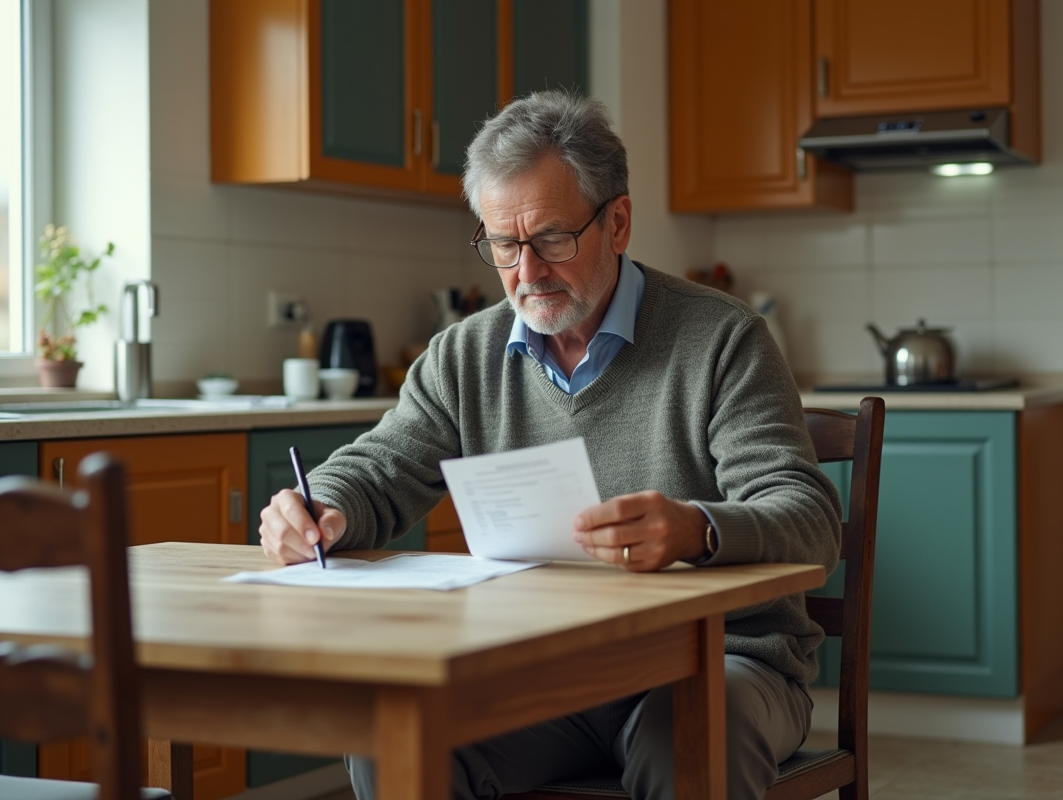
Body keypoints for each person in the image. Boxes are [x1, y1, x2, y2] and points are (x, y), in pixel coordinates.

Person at [258, 89, 842, 800]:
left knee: (684, 737)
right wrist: (324, 505)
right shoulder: (463, 357)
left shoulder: (721, 339)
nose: (526, 273)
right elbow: (381, 466)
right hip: (539, 667)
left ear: (618, 222)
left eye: (552, 240)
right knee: (398, 738)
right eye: (503, 245)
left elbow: (808, 518)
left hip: (721, 661)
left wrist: (697, 527)